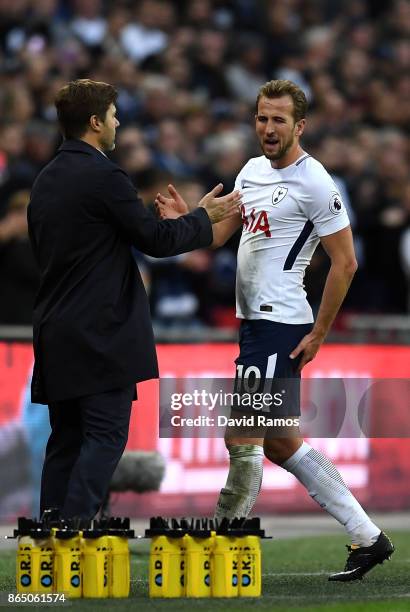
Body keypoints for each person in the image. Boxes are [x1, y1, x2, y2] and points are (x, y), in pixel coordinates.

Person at [155, 79, 394, 581]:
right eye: (262, 117)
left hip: (279, 323)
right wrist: (189, 224)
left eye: (278, 120)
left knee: (242, 436)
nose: (267, 127)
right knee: (282, 443)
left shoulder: (316, 182)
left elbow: (345, 263)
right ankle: (369, 537)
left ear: (299, 126)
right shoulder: (252, 170)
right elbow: (225, 232)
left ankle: (218, 549)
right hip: (255, 325)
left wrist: (321, 332)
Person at [27, 79, 240, 522]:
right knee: (104, 436)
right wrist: (203, 218)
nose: (117, 121)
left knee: (65, 439)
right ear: (94, 122)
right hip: (99, 332)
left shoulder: (45, 181)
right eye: (112, 114)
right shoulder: (104, 174)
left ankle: (49, 532)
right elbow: (155, 240)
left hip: (55, 328)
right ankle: (76, 528)